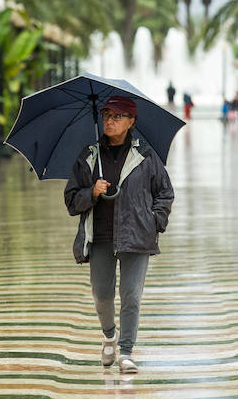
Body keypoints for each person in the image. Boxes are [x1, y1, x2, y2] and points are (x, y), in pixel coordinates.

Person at [64, 95, 174, 374]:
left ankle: (125, 351)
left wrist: (154, 221)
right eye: (106, 115)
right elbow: (71, 200)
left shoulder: (146, 156)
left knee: (131, 295)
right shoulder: (89, 156)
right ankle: (109, 335)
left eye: (117, 116)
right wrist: (91, 192)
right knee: (101, 295)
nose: (110, 121)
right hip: (100, 236)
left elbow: (164, 193)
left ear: (131, 122)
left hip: (137, 236)